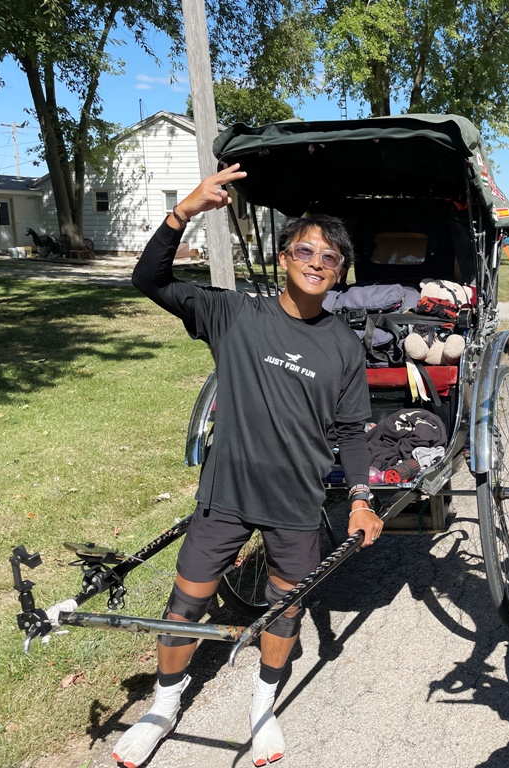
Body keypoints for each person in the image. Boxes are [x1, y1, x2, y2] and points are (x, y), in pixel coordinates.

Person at [114, 164, 383, 768]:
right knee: (185, 604)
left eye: (331, 257)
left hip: (296, 505)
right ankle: (162, 707)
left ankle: (262, 708)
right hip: (226, 494)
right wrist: (183, 212)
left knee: (284, 611)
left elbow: (350, 432)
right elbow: (148, 279)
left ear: (341, 271)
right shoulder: (233, 314)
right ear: (284, 257)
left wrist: (361, 498)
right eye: (305, 250)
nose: (316, 262)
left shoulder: (344, 345)